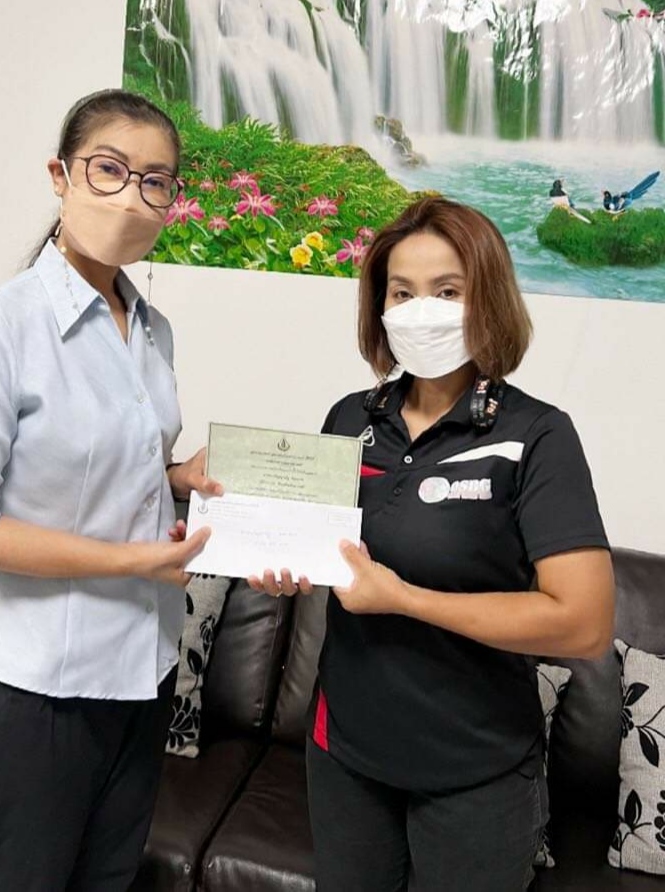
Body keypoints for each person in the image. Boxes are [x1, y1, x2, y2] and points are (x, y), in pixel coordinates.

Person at [250, 197, 614, 891]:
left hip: (475, 773)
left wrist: (406, 599)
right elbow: (320, 551)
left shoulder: (537, 436)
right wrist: (279, 563)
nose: (423, 311)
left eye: (448, 291)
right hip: (344, 755)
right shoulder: (349, 418)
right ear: (379, 307)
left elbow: (584, 623)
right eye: (402, 293)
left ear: (489, 300)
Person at [0, 88, 221, 892]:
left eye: (155, 182)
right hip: (31, 693)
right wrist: (134, 562)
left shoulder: (151, 329)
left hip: (142, 674)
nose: (131, 197)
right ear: (61, 175)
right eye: (109, 169)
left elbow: (98, 466)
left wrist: (176, 475)